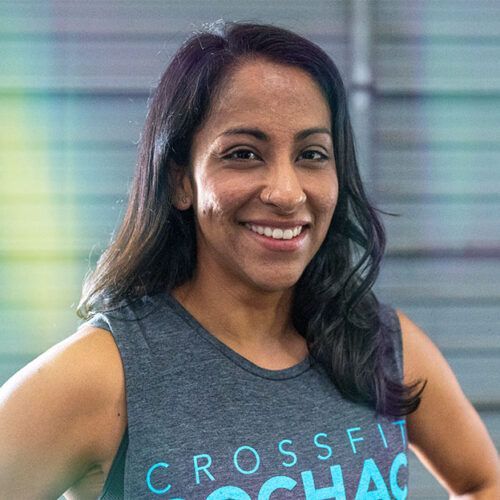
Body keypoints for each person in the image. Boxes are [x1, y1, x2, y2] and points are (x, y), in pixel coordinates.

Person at [0, 21, 498, 500]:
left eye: (312, 155)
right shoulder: (102, 375)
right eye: (243, 153)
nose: (286, 192)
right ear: (180, 181)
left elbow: (483, 481)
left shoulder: (380, 344)